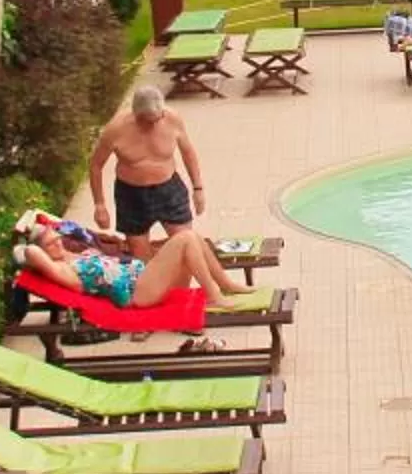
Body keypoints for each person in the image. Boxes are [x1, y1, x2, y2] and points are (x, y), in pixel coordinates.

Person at [17, 217, 246, 309]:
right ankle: (214, 296)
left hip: (144, 279)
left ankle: (225, 284)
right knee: (184, 239)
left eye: (56, 237)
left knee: (191, 236)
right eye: (50, 243)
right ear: (43, 254)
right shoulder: (62, 270)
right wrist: (28, 238)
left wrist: (47, 229)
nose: (58, 241)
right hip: (137, 293)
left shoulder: (69, 254)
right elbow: (29, 251)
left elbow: (62, 227)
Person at [87, 87, 204, 238]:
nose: (153, 125)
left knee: (186, 242)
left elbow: (188, 152)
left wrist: (198, 188)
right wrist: (99, 205)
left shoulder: (172, 119)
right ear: (136, 115)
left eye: (157, 119)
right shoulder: (115, 129)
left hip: (169, 189)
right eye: (148, 121)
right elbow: (95, 166)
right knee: (141, 259)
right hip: (131, 194)